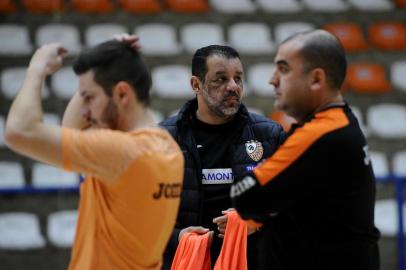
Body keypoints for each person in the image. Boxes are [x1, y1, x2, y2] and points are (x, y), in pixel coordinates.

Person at [4, 40, 184, 270]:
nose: (84, 110)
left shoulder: (121, 152)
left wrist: (37, 68)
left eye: (89, 97)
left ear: (122, 93)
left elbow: (19, 132)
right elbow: (72, 130)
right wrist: (108, 57)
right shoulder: (168, 148)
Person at [231, 29, 380, 270]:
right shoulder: (342, 121)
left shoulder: (319, 135)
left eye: (284, 69)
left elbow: (245, 196)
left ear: (316, 79)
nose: (272, 79)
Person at [159, 45, 286, 269]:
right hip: (188, 262)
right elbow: (144, 213)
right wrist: (177, 236)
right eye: (221, 79)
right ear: (195, 85)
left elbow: (295, 200)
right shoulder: (162, 139)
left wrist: (255, 220)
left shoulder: (269, 135)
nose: (233, 87)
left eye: (238, 78)